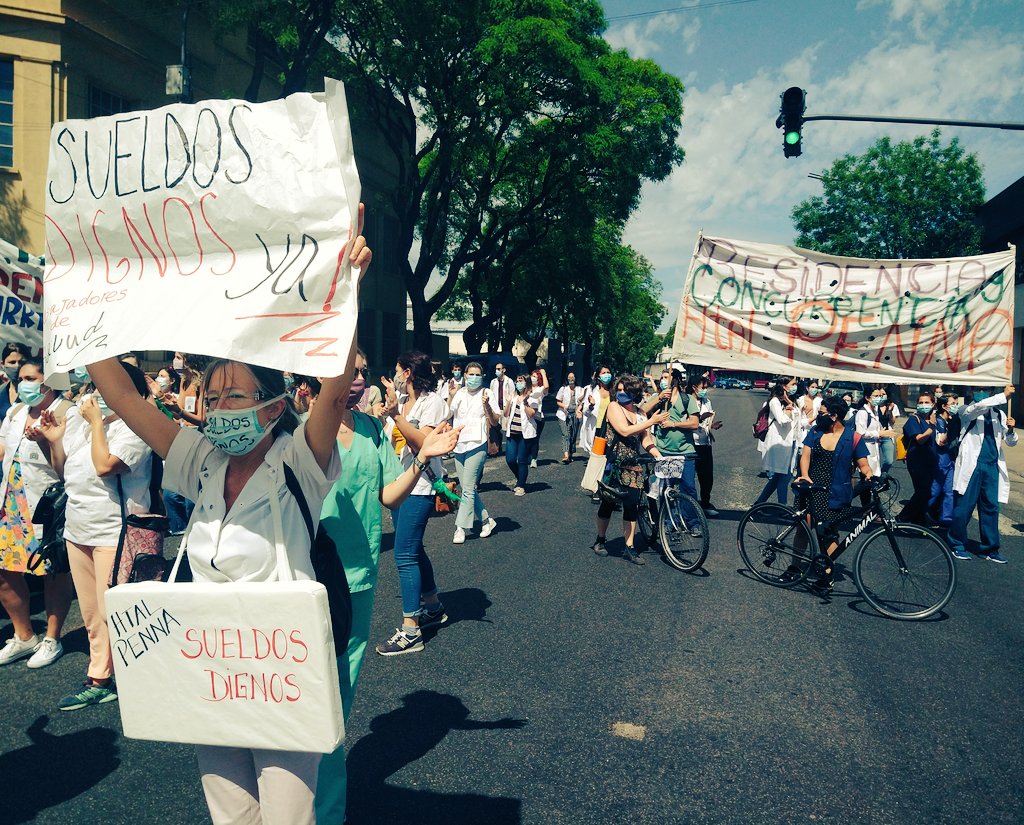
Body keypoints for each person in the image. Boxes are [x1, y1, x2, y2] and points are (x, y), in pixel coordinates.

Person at [85, 218, 370, 825]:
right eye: (212, 399)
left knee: (287, 818)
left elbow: (335, 382)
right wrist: (81, 314)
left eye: (235, 397)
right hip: (213, 675)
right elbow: (128, 401)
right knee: (231, 815)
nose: (219, 410)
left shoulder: (301, 461)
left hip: (283, 677)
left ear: (273, 403)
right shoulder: (199, 459)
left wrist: (346, 286)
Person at [314, 361, 459, 824]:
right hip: (301, 580)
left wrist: (421, 458)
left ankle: (325, 810)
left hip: (357, 580)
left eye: (361, 370)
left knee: (337, 701)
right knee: (305, 698)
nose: (357, 378)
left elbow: (387, 497)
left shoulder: (373, 431)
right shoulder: (293, 432)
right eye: (347, 368)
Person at [38, 364, 153, 709]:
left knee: (115, 612)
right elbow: (63, 470)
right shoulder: (83, 427)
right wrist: (54, 442)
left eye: (108, 389)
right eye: (96, 388)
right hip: (78, 528)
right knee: (91, 612)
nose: (98, 396)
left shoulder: (136, 429)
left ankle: (132, 678)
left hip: (115, 532)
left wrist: (97, 424)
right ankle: (100, 675)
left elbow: (105, 465)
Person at [0, 358, 74, 668]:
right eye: (22, 378)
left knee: (52, 573)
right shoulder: (16, 411)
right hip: (12, 501)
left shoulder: (66, 412)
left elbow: (67, 466)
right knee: (6, 570)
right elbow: (4, 452)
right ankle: (24, 635)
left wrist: (46, 442)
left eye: (32, 377)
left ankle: (52, 638)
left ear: (48, 381)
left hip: (46, 505)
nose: (25, 383)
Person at [378, 350, 452, 655]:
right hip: (400, 481)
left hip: (420, 485)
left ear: (408, 372)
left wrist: (395, 415)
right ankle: (433, 607)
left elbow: (425, 443)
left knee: (405, 554)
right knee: (414, 548)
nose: (394, 374)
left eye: (398, 369)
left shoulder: (433, 403)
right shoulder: (403, 401)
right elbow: (389, 439)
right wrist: (386, 413)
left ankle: (411, 631)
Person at [794, 394, 873, 592]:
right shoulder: (816, 431)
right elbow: (805, 455)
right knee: (803, 528)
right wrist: (804, 475)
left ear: (834, 415)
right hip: (811, 487)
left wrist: (869, 475)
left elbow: (864, 465)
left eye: (822, 413)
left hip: (835, 492)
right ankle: (794, 567)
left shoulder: (852, 438)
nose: (818, 416)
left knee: (829, 534)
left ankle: (827, 573)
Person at [591, 374, 667, 564]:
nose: (621, 393)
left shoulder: (640, 413)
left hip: (633, 466)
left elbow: (646, 439)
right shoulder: (614, 407)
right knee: (608, 503)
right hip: (614, 464)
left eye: (625, 390)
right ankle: (600, 540)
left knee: (631, 506)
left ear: (634, 392)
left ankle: (629, 546)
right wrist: (651, 421)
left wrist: (658, 455)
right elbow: (624, 430)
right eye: (620, 389)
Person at [947, 385, 1017, 563]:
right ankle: (957, 544)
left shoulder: (999, 415)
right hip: (972, 466)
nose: (981, 391)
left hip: (992, 466)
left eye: (985, 388)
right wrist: (1004, 395)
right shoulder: (966, 410)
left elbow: (1010, 442)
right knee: (964, 507)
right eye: (978, 388)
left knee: (991, 508)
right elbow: (979, 407)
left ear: (991, 391)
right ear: (971, 391)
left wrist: (1011, 430)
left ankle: (990, 548)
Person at [448, 362, 498, 543]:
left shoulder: (487, 393)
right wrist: (451, 396)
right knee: (466, 488)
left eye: (478, 374)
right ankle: (486, 520)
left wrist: (488, 408)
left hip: (478, 443)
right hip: (459, 443)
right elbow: (447, 413)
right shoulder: (459, 393)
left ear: (482, 376)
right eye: (471, 374)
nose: (474, 378)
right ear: (465, 375)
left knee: (468, 488)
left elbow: (495, 421)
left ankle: (460, 527)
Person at [652, 362, 700, 499]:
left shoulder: (687, 399)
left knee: (689, 488)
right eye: (661, 378)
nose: (663, 381)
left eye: (666, 377)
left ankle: (691, 520)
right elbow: (642, 411)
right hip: (664, 451)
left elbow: (694, 423)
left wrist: (673, 424)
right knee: (665, 490)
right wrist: (658, 399)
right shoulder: (658, 399)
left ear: (675, 380)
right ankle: (667, 519)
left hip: (685, 452)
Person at [896, 392, 937, 525]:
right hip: (917, 461)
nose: (923, 405)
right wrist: (931, 428)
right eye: (921, 402)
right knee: (922, 491)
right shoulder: (914, 420)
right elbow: (919, 439)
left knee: (927, 491)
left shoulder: (933, 419)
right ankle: (903, 517)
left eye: (927, 402)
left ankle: (918, 518)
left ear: (933, 404)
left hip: (930, 460)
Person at [755, 378, 798, 505]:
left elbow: (800, 418)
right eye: (793, 384)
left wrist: (789, 403)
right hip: (779, 444)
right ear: (784, 386)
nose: (795, 386)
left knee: (778, 478)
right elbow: (782, 420)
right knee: (784, 477)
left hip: (790, 443)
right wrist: (790, 409)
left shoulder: (789, 401)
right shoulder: (774, 401)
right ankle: (782, 507)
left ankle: (759, 503)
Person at [502, 374, 540, 496]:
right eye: (517, 380)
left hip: (525, 434)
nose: (518, 383)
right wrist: (508, 402)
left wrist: (525, 402)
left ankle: (521, 485)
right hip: (512, 433)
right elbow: (506, 414)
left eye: (521, 381)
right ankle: (521, 478)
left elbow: (531, 414)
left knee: (522, 460)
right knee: (510, 460)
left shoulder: (532, 397)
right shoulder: (513, 396)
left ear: (526, 383)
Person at [692, 374, 723, 517]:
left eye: (706, 387)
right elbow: (686, 421)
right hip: (691, 443)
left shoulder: (707, 401)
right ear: (694, 387)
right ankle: (689, 505)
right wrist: (700, 418)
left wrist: (712, 425)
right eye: (702, 387)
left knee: (707, 477)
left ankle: (705, 502)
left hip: (705, 443)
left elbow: (707, 422)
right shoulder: (687, 401)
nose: (705, 390)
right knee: (689, 478)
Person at [927, 394, 958, 527]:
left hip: (949, 460)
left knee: (949, 491)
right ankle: (920, 513)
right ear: (944, 406)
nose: (956, 406)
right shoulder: (938, 421)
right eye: (953, 403)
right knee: (934, 490)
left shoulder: (950, 420)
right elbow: (940, 441)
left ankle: (946, 518)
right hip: (940, 460)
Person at [579, 365, 613, 454]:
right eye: (603, 373)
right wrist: (591, 405)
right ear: (598, 376)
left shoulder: (614, 391)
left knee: (608, 454)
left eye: (608, 373)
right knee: (597, 454)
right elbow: (585, 413)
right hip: (596, 427)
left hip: (610, 427)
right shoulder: (591, 390)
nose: (607, 375)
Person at [556, 372, 585, 464]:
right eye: (569, 377)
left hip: (575, 415)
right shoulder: (563, 389)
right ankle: (566, 455)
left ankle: (571, 452)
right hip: (563, 414)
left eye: (573, 377)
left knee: (573, 434)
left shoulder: (580, 389)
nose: (571, 379)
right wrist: (565, 406)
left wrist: (579, 409)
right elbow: (558, 401)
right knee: (566, 434)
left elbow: (582, 402)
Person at [488, 364, 516, 456]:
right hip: (496, 408)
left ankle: (511, 449)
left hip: (506, 408)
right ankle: (496, 449)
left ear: (504, 370)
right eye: (496, 369)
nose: (497, 371)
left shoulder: (509, 381)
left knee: (507, 429)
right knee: (495, 429)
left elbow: (512, 394)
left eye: (499, 369)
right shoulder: (493, 382)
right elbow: (491, 394)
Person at [0, 342, 30, 421]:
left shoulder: (36, 392)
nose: (17, 366)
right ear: (2, 364)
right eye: (12, 362)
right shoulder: (1, 391)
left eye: (22, 362)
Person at [527, 368, 548, 468]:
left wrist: (543, 373)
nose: (533, 378)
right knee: (526, 437)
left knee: (535, 439)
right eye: (532, 376)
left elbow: (546, 386)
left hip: (538, 417)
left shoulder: (540, 389)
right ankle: (526, 455)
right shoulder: (527, 388)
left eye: (535, 376)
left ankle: (533, 459)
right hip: (526, 416)